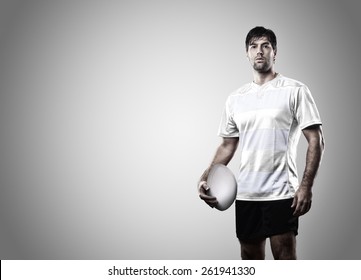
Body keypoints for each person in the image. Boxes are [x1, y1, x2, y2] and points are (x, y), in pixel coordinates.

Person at [198, 26, 325, 260]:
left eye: (265, 46)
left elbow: (316, 140)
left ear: (274, 52)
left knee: (285, 258)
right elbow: (227, 145)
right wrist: (206, 177)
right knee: (249, 262)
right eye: (253, 46)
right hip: (246, 195)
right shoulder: (236, 98)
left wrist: (306, 187)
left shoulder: (295, 90)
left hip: (282, 194)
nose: (259, 51)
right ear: (246, 53)